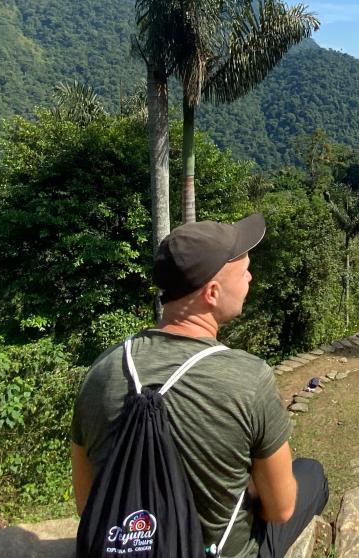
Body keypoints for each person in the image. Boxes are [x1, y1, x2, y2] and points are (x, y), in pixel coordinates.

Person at [70, 214, 327, 558]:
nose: (250, 277)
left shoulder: (101, 372)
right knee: (311, 474)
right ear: (212, 293)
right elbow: (280, 509)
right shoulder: (248, 378)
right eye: (244, 271)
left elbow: (86, 503)